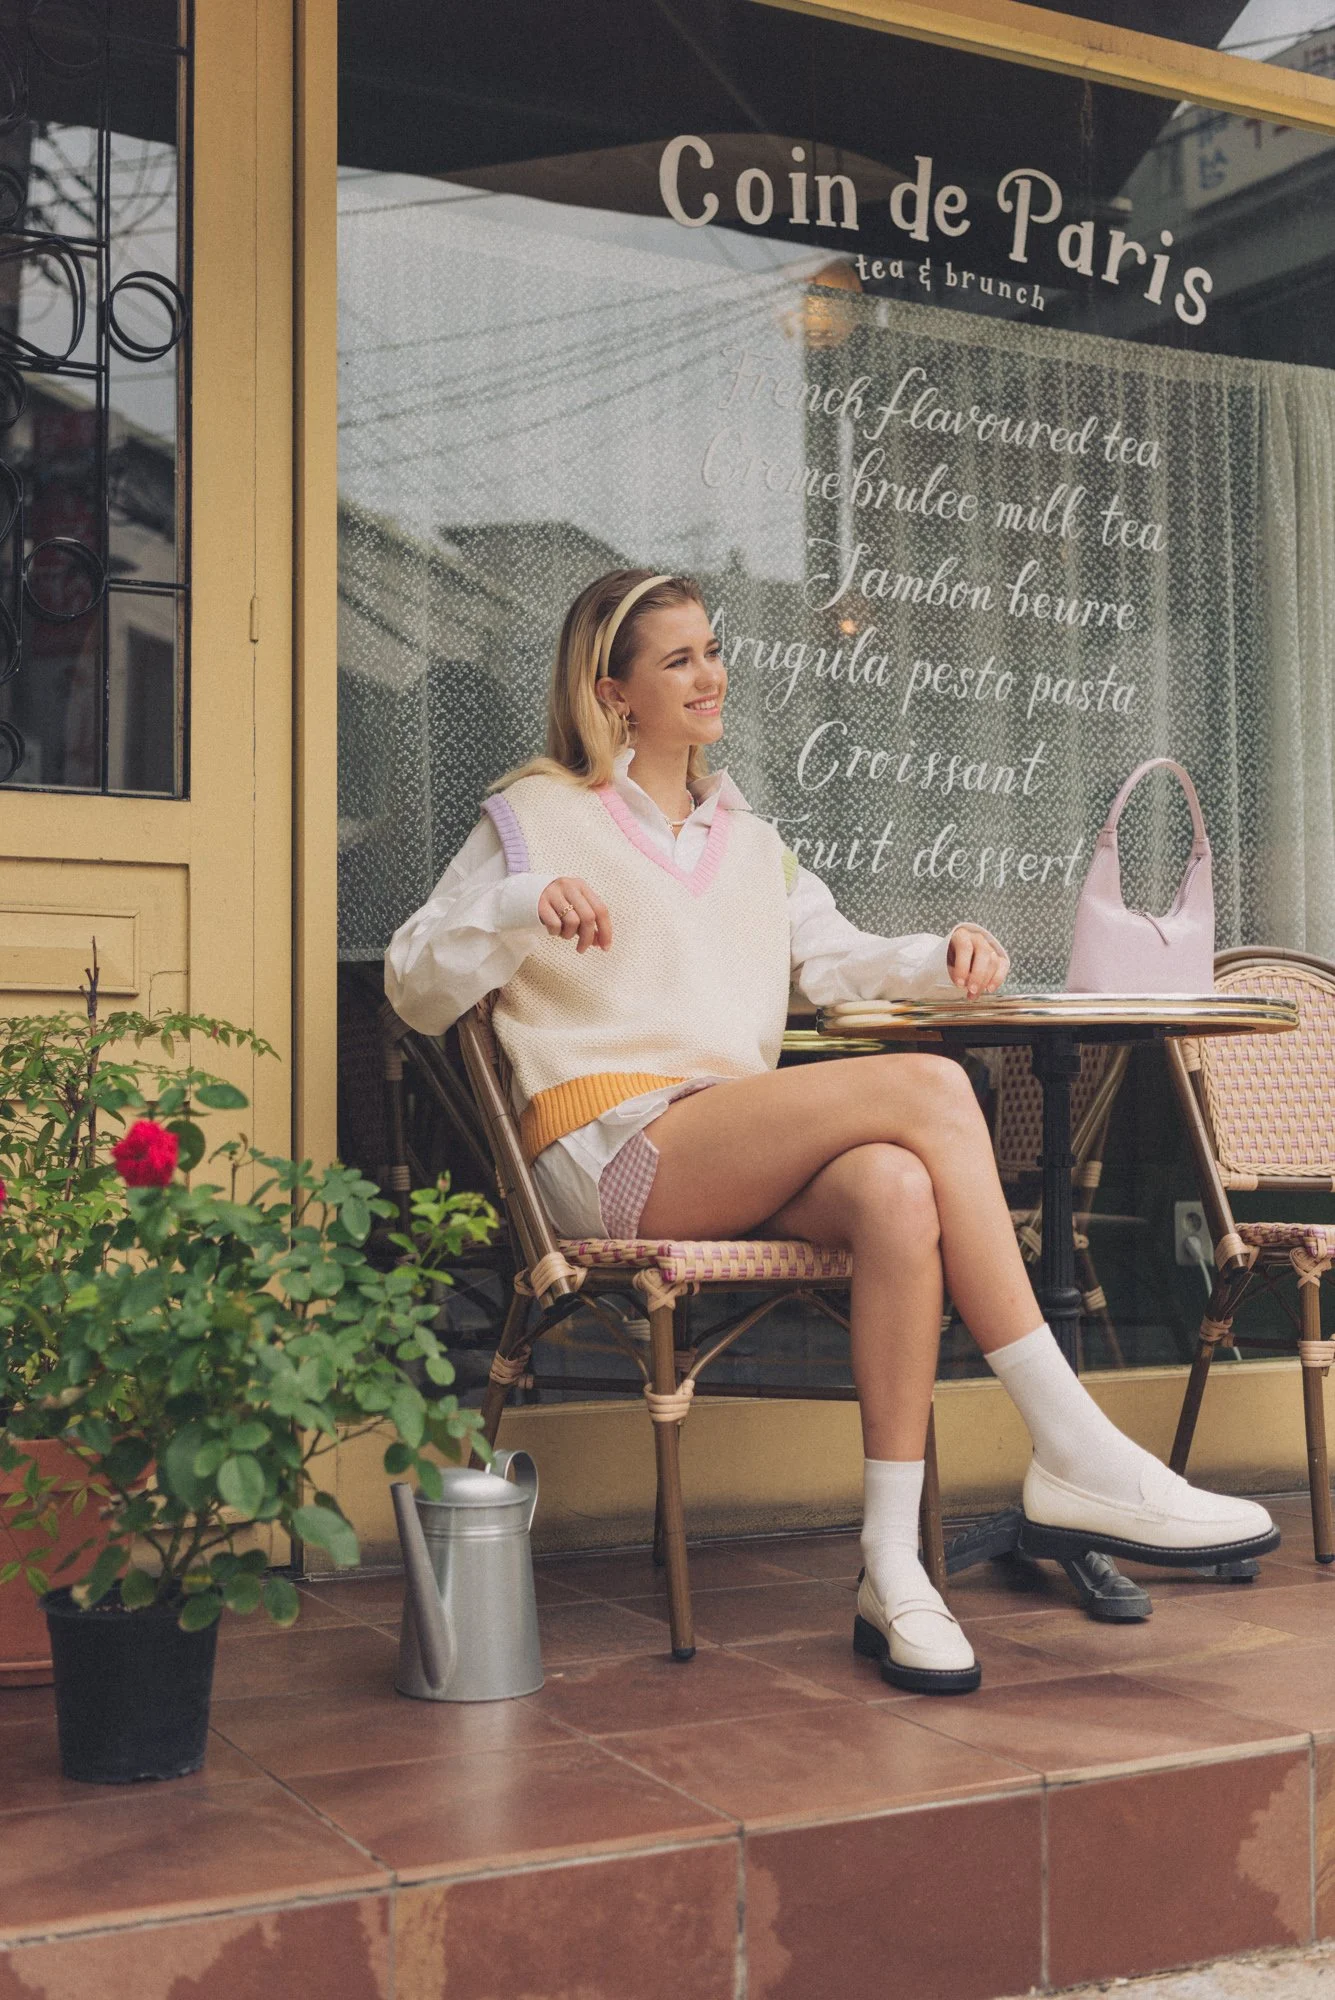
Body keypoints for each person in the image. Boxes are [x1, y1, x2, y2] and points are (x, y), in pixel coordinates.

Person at [386, 567, 1278, 1696]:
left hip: (730, 1142)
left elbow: (836, 958)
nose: (712, 675)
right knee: (931, 1091)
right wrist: (521, 901)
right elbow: (417, 983)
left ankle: (892, 1569)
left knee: (900, 1193)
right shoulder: (533, 815)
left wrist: (938, 956)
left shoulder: (748, 837)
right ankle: (1074, 1442)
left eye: (713, 650)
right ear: (612, 691)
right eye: (679, 660)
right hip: (612, 1151)